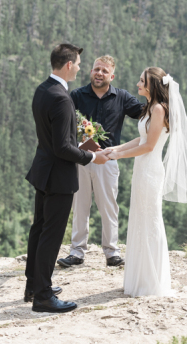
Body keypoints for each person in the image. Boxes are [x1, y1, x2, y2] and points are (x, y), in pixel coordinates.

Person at [24, 43, 111, 313]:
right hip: (59, 175)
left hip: (43, 170)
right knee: (51, 235)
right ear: (69, 65)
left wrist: (80, 140)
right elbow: (63, 147)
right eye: (79, 63)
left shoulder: (43, 89)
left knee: (39, 229)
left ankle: (33, 285)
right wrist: (92, 157)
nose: (82, 68)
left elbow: (53, 138)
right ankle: (43, 296)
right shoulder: (62, 97)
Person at [108, 67, 187, 297]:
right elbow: (142, 138)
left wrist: (118, 156)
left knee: (150, 220)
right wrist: (116, 148)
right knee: (139, 219)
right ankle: (139, 279)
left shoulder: (158, 109)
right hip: (141, 169)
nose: (137, 84)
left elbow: (149, 146)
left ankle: (151, 281)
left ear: (152, 85)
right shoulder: (150, 108)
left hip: (150, 171)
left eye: (141, 81)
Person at [57, 55, 143, 269]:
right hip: (81, 159)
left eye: (104, 71)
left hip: (109, 160)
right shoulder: (76, 95)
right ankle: (76, 252)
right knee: (80, 206)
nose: (99, 73)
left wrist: (163, 101)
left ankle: (112, 253)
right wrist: (80, 149)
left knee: (109, 207)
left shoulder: (122, 97)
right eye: (97, 69)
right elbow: (66, 124)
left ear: (111, 76)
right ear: (91, 71)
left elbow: (144, 114)